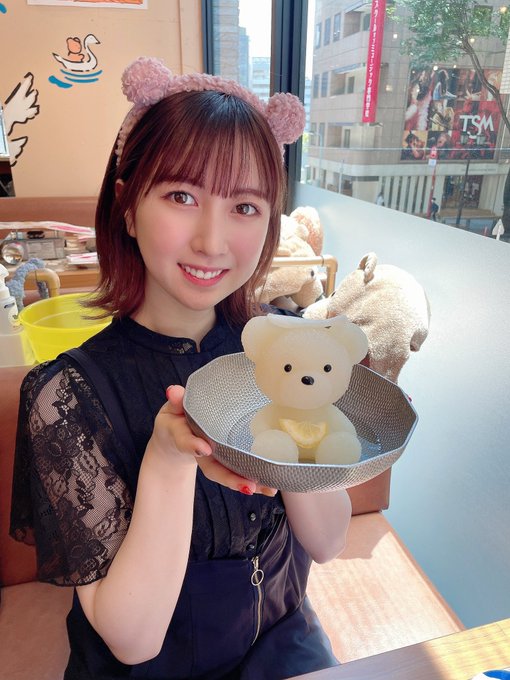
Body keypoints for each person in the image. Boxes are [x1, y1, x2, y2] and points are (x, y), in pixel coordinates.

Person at [10, 57, 353, 680]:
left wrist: (299, 413)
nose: (212, 242)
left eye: (245, 206)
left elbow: (327, 543)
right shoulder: (65, 395)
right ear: (127, 205)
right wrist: (169, 458)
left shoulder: (286, 347)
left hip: (282, 642)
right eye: (181, 197)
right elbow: (133, 642)